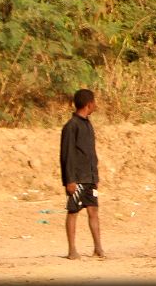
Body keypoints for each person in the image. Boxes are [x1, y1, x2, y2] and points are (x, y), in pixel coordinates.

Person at [60, 88, 105, 259]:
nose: (95, 105)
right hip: (77, 179)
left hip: (90, 177)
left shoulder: (87, 123)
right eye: (94, 102)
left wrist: (95, 175)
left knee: (93, 211)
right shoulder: (71, 126)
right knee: (73, 212)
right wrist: (69, 180)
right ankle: (72, 250)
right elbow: (67, 155)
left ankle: (98, 248)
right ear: (88, 104)